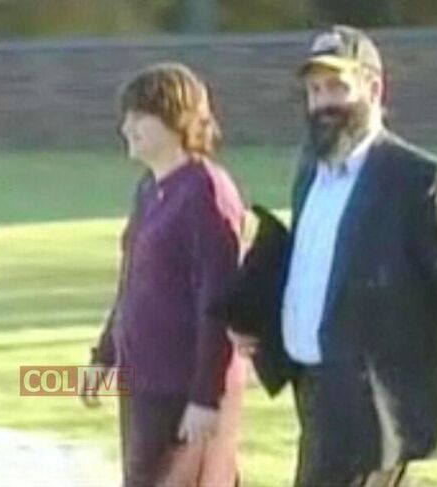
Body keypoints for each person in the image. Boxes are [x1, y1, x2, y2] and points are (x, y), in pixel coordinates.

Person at [216, 25, 437, 486]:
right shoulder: (311, 173)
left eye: (336, 87)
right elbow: (311, 267)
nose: (323, 103)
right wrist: (258, 320)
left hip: (373, 405)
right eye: (314, 91)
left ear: (374, 89)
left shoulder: (415, 180)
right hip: (314, 392)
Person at [79, 62, 246, 487]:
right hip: (144, 386)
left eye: (140, 116)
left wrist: (206, 398)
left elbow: (219, 302)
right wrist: (104, 357)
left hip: (185, 394)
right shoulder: (149, 189)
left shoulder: (205, 191)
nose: (127, 127)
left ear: (176, 119)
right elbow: (132, 285)